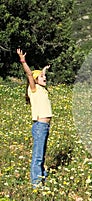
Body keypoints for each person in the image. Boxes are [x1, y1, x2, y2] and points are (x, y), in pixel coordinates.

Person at [17, 49, 52, 188]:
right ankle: (36, 183)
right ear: (36, 80)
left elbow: (39, 75)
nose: (45, 78)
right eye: (42, 77)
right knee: (38, 155)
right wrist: (23, 61)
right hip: (40, 126)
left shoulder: (42, 89)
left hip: (45, 126)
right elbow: (30, 74)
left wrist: (44, 69)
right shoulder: (34, 89)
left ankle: (41, 175)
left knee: (42, 154)